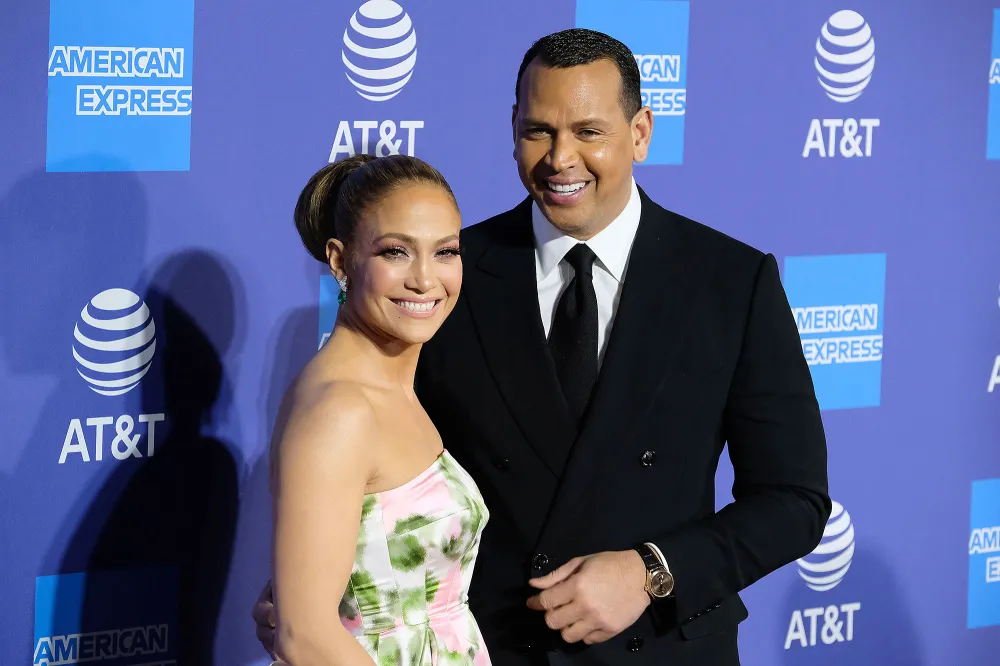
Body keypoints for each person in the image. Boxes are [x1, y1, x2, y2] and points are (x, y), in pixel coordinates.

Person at [255, 28, 830, 666]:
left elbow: (794, 500)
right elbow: (380, 462)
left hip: (663, 650)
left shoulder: (730, 282)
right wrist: (320, 583)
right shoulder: (450, 273)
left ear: (639, 132)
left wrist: (651, 571)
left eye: (588, 131)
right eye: (538, 131)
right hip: (498, 648)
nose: (560, 158)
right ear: (512, 129)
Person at [266, 153, 493, 665]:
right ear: (341, 261)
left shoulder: (396, 388)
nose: (425, 280)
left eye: (445, 252)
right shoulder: (340, 412)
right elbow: (304, 637)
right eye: (396, 252)